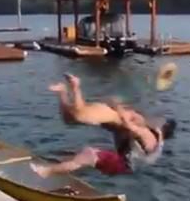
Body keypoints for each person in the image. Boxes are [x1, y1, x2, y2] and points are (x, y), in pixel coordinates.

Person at [31, 75, 176, 178]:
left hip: (122, 165)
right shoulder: (153, 139)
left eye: (160, 120)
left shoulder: (148, 135)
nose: (155, 119)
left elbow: (127, 124)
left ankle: (47, 171)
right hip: (124, 158)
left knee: (88, 154)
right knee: (70, 120)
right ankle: (64, 92)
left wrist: (118, 107)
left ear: (162, 126)